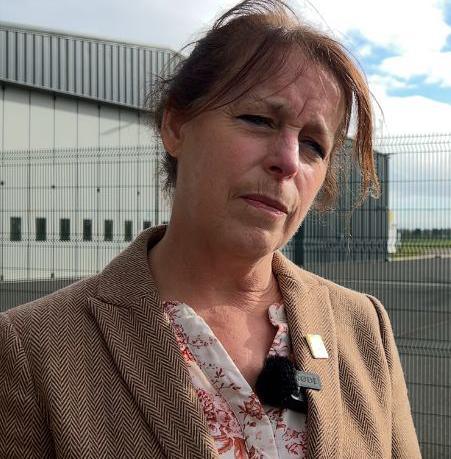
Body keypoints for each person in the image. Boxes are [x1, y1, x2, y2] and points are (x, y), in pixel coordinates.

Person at [0, 1, 421, 457]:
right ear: (176, 125)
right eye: (259, 120)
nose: (287, 160)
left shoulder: (362, 328)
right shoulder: (34, 349)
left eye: (313, 145)